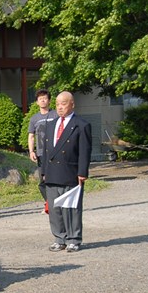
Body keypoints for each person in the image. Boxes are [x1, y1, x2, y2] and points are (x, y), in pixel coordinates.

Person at [39, 91, 92, 252]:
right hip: (52, 172)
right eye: (57, 104)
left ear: (72, 104)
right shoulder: (50, 124)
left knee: (71, 207)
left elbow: (85, 151)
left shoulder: (81, 125)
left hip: (71, 171)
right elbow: (46, 150)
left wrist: (82, 172)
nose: (60, 107)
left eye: (63, 103)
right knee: (54, 208)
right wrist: (44, 171)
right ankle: (59, 238)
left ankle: (74, 239)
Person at [27, 89, 54, 213]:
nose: (43, 100)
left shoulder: (56, 115)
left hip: (55, 152)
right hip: (41, 153)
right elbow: (31, 136)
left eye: (45, 98)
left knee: (55, 178)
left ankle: (53, 204)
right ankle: (49, 203)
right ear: (37, 102)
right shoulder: (34, 119)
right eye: (40, 99)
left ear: (49, 100)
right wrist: (31, 151)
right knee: (43, 180)